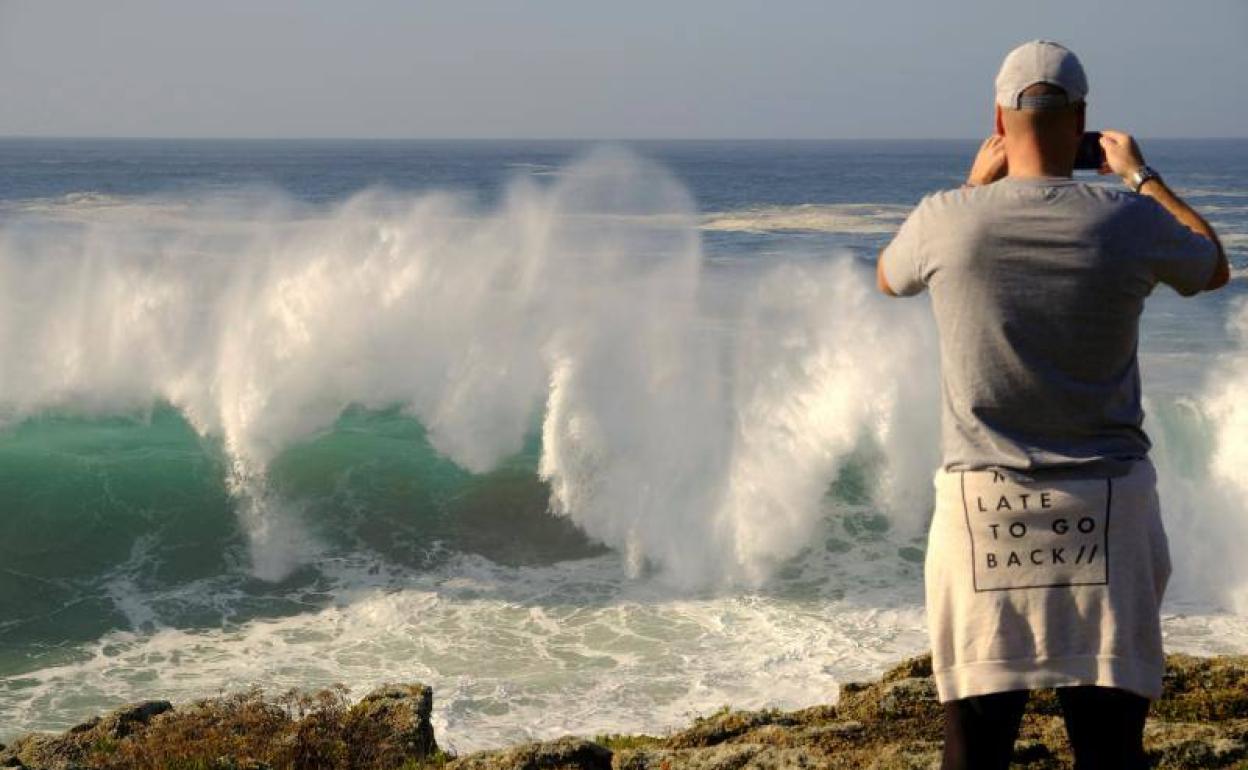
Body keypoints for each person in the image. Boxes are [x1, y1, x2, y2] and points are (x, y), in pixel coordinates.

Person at [877, 40, 1229, 770]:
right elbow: (1211, 264)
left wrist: (972, 189)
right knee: (1109, 748)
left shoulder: (948, 217)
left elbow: (890, 277)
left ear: (997, 121)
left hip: (982, 512)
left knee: (974, 748)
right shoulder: (1125, 219)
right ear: (1086, 122)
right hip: (1108, 510)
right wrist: (1142, 176)